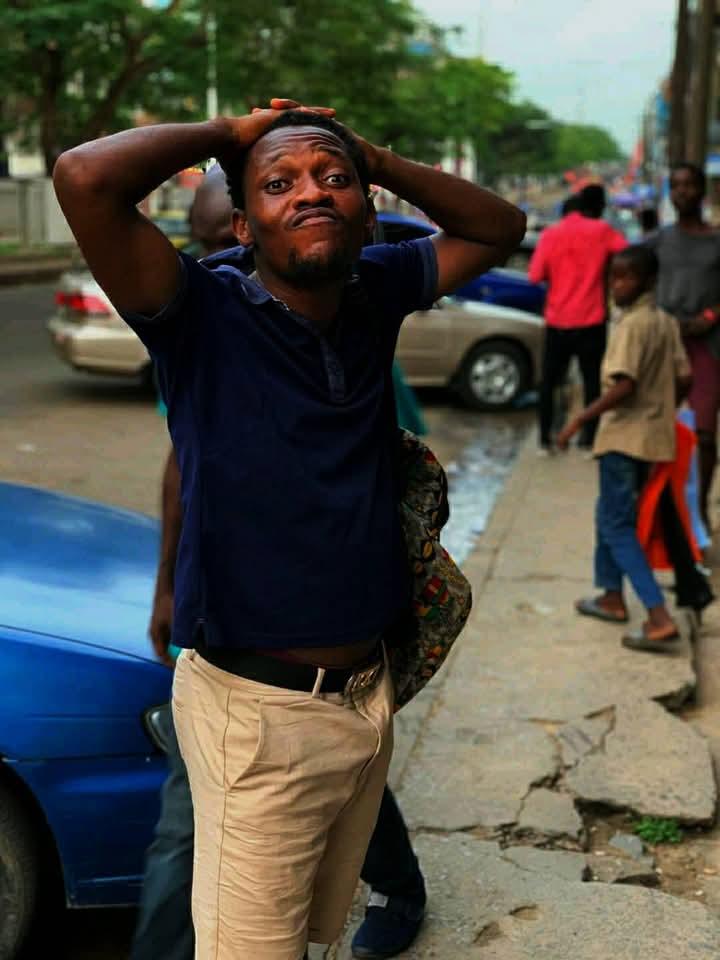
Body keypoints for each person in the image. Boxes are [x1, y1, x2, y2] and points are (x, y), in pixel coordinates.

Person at [54, 99, 525, 960]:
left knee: (306, 934)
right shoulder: (199, 311)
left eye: (331, 178)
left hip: (365, 700)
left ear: (367, 210)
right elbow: (84, 177)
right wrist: (228, 136)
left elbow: (499, 227)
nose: (310, 192)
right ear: (243, 225)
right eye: (279, 184)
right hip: (257, 719)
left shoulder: (374, 288)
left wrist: (371, 153)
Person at [132, 170, 428, 960]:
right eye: (201, 247)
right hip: (238, 659)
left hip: (345, 651)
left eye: (223, 247)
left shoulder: (353, 317)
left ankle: (400, 889)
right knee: (192, 825)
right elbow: (184, 462)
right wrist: (168, 584)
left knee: (344, 762)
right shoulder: (196, 320)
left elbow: (402, 458)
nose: (213, 267)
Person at [557, 245, 692, 653]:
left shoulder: (632, 325)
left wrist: (580, 419)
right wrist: (661, 409)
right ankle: (611, 596)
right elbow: (684, 377)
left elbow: (625, 384)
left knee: (617, 526)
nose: (616, 286)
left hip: (623, 438)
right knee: (610, 515)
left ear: (648, 281)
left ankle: (658, 615)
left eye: (626, 278)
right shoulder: (665, 322)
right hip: (651, 439)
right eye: (612, 278)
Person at [646, 163, 720, 528]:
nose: (682, 192)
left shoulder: (716, 240)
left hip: (708, 345)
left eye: (689, 185)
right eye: (675, 185)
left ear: (702, 191)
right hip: (666, 346)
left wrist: (712, 315)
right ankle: (662, 511)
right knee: (659, 431)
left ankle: (700, 510)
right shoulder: (658, 241)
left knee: (704, 434)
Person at [529, 184, 627, 454]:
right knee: (592, 381)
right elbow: (628, 254)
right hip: (591, 320)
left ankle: (545, 440)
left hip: (557, 321)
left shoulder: (550, 234)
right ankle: (587, 441)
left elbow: (535, 276)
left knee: (549, 383)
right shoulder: (602, 231)